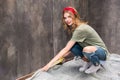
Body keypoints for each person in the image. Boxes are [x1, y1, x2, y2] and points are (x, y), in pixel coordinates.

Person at [40, 6, 109, 74]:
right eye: (65, 18)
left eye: (69, 16)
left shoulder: (80, 29)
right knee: (73, 47)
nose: (67, 20)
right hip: (92, 50)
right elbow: (70, 49)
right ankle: (88, 62)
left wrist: (48, 65)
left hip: (102, 52)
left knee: (86, 49)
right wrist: (60, 59)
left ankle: (96, 65)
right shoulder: (74, 28)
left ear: (75, 16)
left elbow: (66, 49)